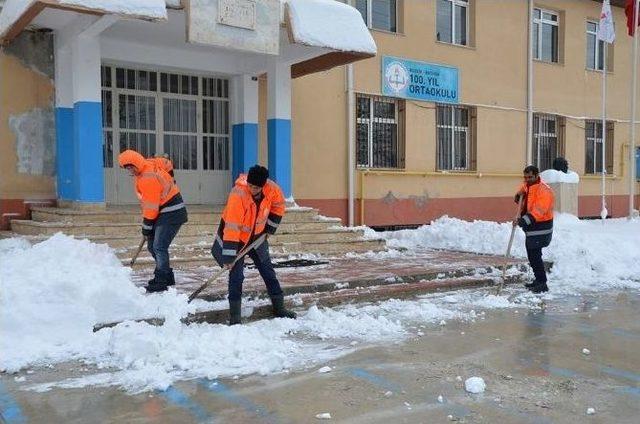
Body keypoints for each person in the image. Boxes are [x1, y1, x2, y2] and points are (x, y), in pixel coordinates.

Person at [211, 165, 296, 325]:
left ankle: (279, 308)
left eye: (256, 187)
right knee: (236, 277)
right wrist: (229, 256)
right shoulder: (238, 194)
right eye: (250, 185)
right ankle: (235, 317)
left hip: (257, 238)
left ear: (263, 185)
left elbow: (278, 206)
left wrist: (271, 227)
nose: (251, 189)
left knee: (268, 272)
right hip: (236, 240)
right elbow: (232, 227)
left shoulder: (272, 190)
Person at [118, 150, 188, 292]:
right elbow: (166, 162)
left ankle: (161, 280)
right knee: (152, 246)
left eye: (130, 167)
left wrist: (146, 228)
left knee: (159, 246)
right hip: (162, 210)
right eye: (127, 169)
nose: (129, 171)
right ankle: (167, 275)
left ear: (136, 163)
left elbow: (151, 207)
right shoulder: (150, 162)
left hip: (172, 211)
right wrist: (171, 178)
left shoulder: (147, 178)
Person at [514, 165, 555, 293]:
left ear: (537, 175)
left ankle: (542, 283)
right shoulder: (527, 185)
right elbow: (523, 196)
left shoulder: (544, 190)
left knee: (535, 256)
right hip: (532, 227)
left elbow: (539, 209)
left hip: (541, 227)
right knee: (532, 256)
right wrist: (518, 195)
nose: (527, 180)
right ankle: (538, 280)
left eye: (530, 177)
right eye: (525, 177)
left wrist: (524, 221)